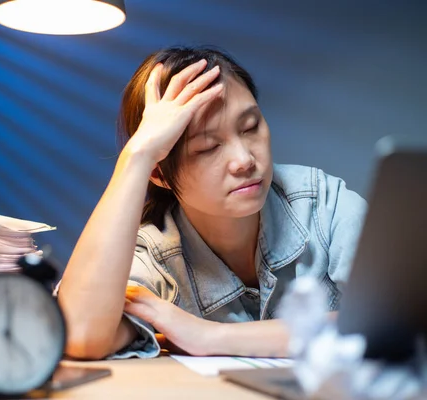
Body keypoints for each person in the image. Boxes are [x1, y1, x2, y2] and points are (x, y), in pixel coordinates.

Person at [56, 46, 367, 360]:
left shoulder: (322, 203)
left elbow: (407, 318)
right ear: (159, 174)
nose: (244, 160)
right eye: (207, 147)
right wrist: (138, 156)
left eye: (250, 127)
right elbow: (81, 336)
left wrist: (210, 336)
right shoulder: (155, 258)